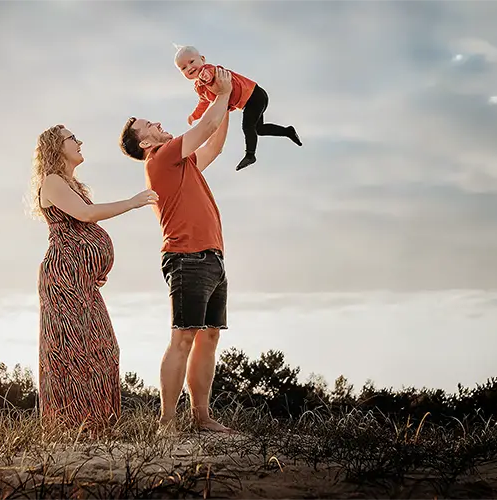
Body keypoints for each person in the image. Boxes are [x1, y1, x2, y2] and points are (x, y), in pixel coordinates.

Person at [117, 67, 237, 434]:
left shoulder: (181, 162)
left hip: (212, 257)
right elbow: (203, 129)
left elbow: (213, 143)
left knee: (209, 336)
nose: (156, 123)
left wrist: (227, 105)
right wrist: (223, 93)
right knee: (183, 336)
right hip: (187, 258)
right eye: (147, 125)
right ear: (144, 143)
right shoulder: (162, 158)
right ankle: (166, 422)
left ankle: (200, 418)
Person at [30, 124, 158, 435]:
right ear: (56, 148)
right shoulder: (52, 181)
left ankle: (98, 423)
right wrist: (132, 202)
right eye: (72, 139)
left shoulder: (71, 184)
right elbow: (86, 217)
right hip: (63, 278)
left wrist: (94, 267)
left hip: (80, 280)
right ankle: (71, 426)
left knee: (103, 348)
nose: (80, 141)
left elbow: (83, 230)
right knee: (70, 351)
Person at [174, 44, 302, 171]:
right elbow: (203, 103)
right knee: (259, 129)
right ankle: (287, 131)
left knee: (247, 126)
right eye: (184, 68)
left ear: (202, 59)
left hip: (254, 95)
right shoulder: (200, 88)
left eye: (191, 62)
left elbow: (210, 73)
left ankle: (250, 155)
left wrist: (206, 77)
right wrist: (194, 115)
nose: (189, 67)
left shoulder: (209, 70)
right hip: (249, 102)